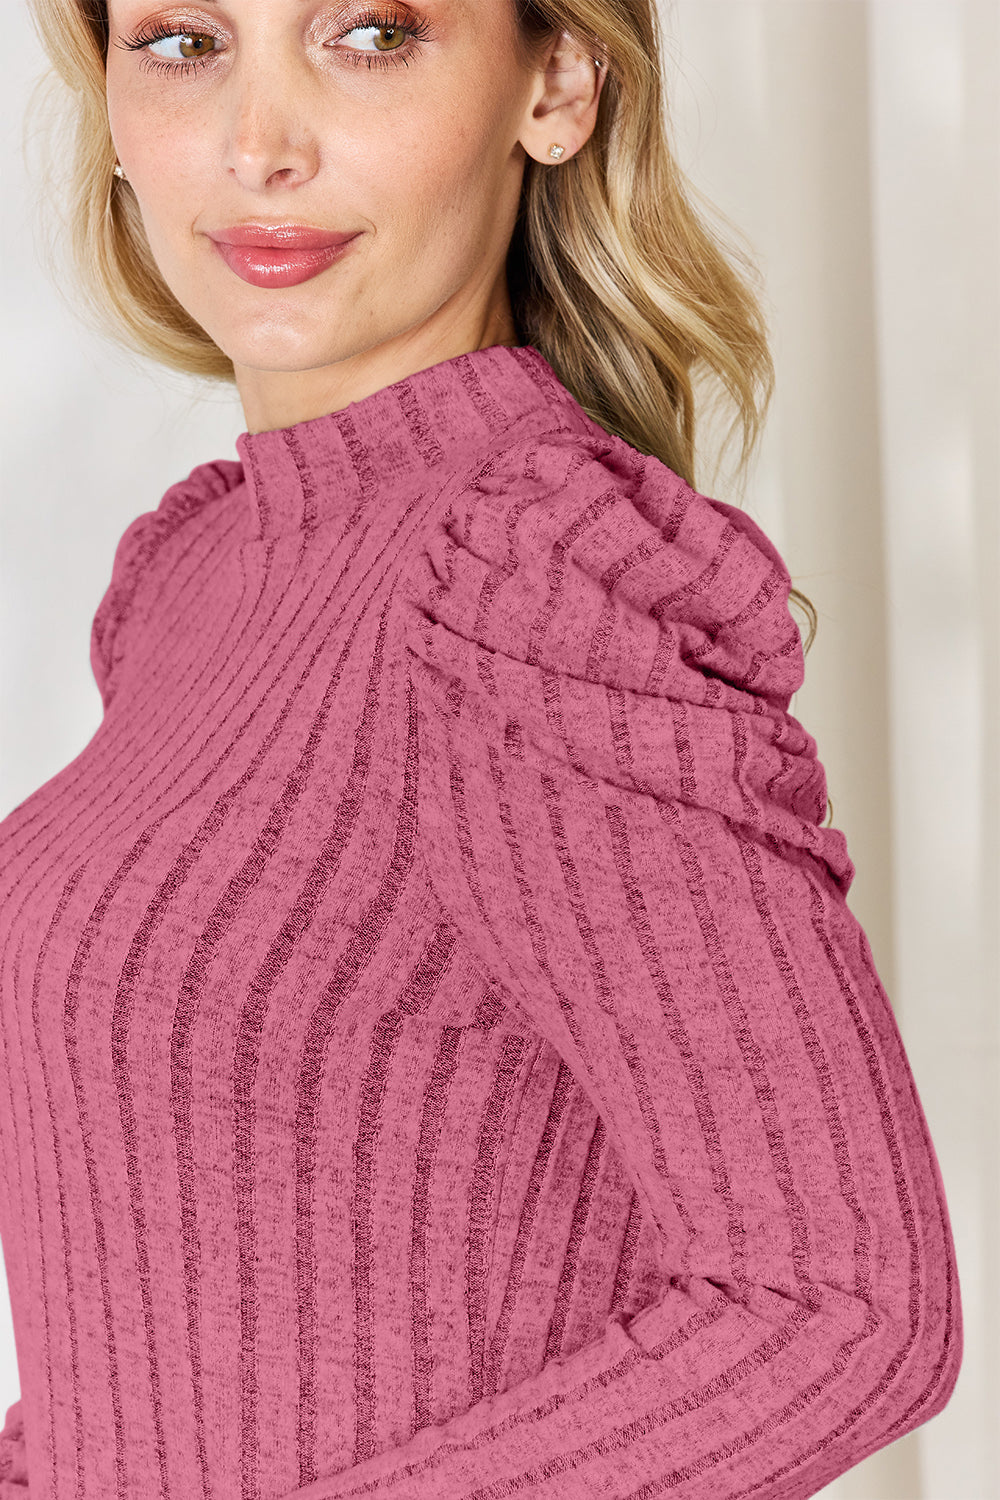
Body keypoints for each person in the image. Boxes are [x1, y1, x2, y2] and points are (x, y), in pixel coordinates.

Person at [0, 0, 963, 1493]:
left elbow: (841, 1307)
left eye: (370, 34)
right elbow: (155, 1343)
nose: (259, 147)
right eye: (184, 42)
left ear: (557, 83)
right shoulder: (195, 572)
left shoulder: (527, 572)